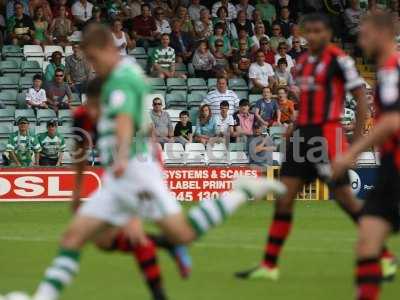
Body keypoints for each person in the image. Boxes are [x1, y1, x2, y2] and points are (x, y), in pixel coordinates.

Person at [31, 23, 284, 300]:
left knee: (183, 233)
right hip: (121, 172)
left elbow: (126, 119)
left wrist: (122, 157)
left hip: (134, 170)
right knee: (77, 238)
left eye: (92, 58)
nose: (92, 66)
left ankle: (241, 192)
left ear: (104, 49)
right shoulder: (122, 76)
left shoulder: (122, 79)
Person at [235, 13, 396, 283]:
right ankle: (269, 264)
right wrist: (293, 128)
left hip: (326, 136)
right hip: (303, 135)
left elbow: (361, 101)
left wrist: (354, 145)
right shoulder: (302, 63)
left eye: (318, 30)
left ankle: (384, 256)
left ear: (328, 33)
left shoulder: (339, 60)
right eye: (308, 31)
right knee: (285, 198)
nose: (312, 36)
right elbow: (308, 102)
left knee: (345, 198)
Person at [71, 77, 192, 300]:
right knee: (103, 241)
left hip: (136, 171)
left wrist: (149, 164)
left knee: (134, 234)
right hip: (120, 172)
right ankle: (168, 244)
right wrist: (76, 191)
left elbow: (145, 135)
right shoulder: (83, 117)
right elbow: (80, 152)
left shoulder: (121, 115)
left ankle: (160, 292)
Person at [331, 12, 400, 300]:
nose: (360, 40)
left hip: (396, 168)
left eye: (365, 34)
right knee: (367, 243)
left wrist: (351, 153)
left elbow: (392, 122)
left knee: (367, 242)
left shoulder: (392, 70)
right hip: (391, 167)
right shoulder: (386, 71)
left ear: (382, 33)